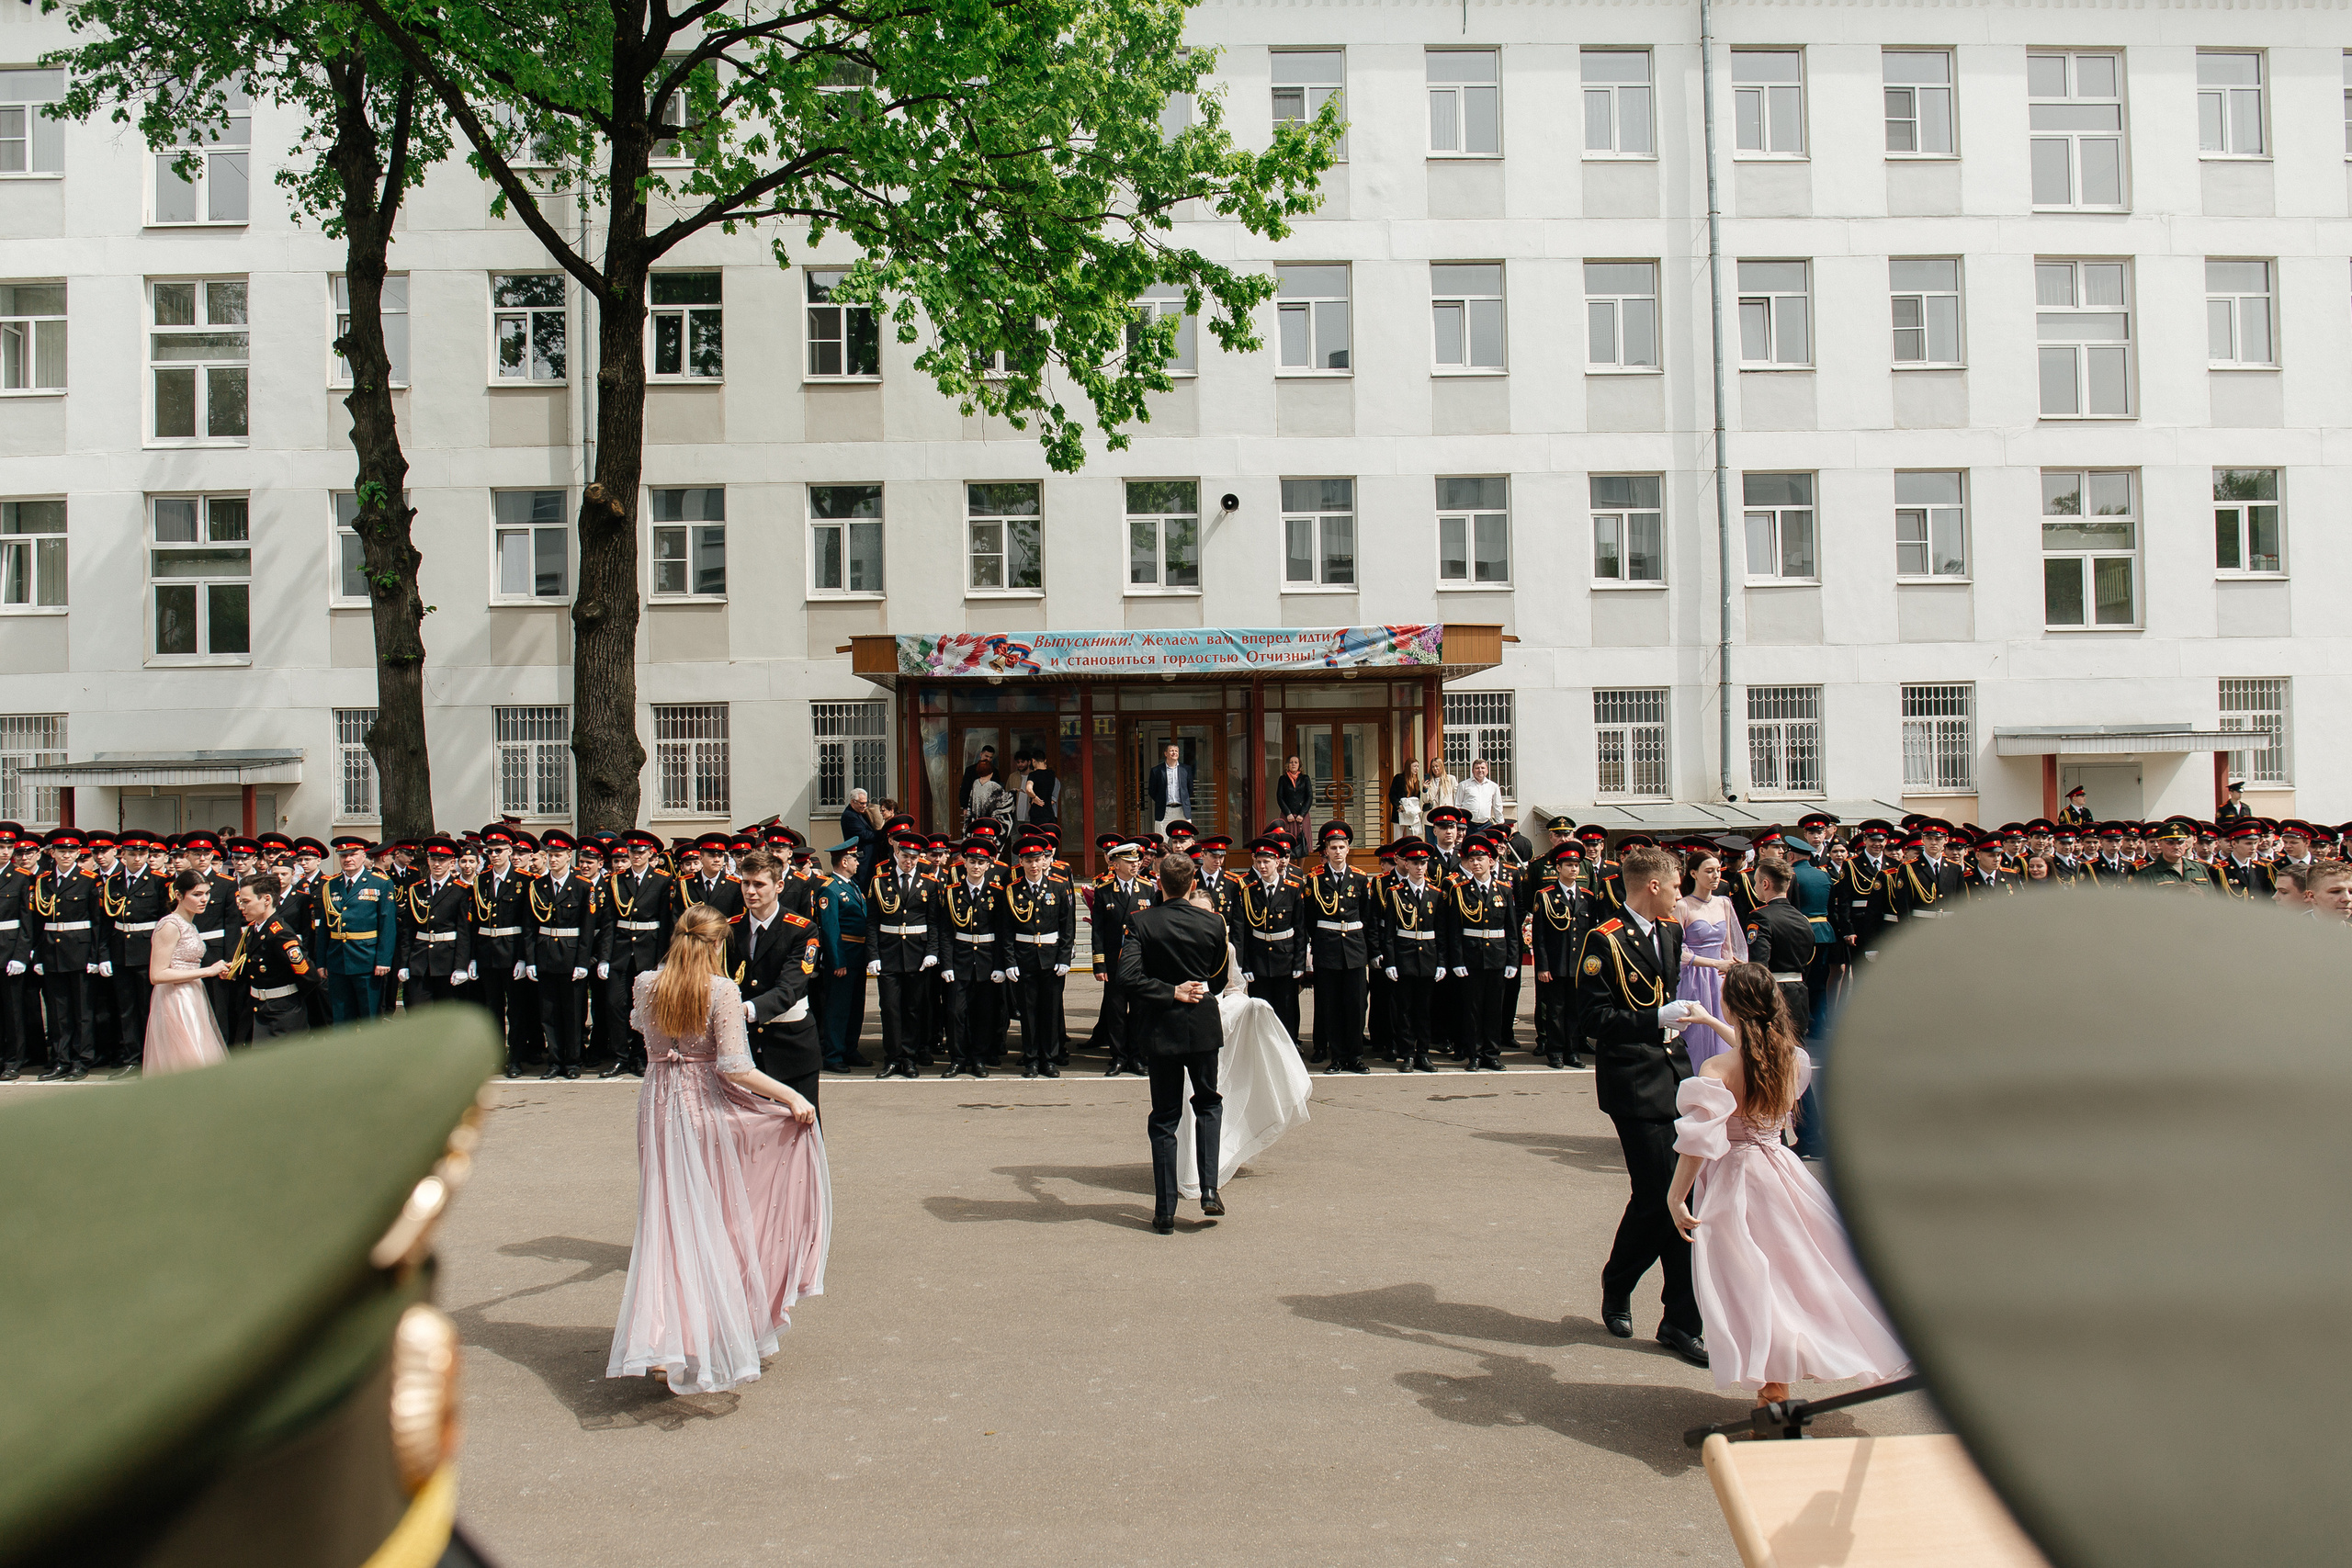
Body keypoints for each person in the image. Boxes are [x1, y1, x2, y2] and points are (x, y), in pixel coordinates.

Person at [607, 904, 829, 1394]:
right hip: (704, 1106)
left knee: (666, 1219)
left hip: (657, 1104)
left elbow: (639, 1026)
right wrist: (792, 1097)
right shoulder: (721, 990)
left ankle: (663, 1335)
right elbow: (735, 1066)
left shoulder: (646, 983)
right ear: (714, 945)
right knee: (719, 1216)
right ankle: (703, 1332)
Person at [1667, 964, 1909, 1404]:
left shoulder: (1717, 1068)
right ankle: (1789, 1371)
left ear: (1730, 1004)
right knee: (1798, 1274)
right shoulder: (1792, 1058)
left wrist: (1676, 1196)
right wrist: (1710, 1022)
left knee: (1747, 1281)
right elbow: (1754, 1049)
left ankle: (1773, 1390)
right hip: (1782, 1170)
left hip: (1737, 1180)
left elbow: (1698, 1143)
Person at [1577, 842, 1707, 1368]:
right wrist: (1655, 1018)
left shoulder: (1671, 931)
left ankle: (1680, 1319)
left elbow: (1664, 991)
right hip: (1632, 1082)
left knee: (1683, 1195)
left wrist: (1674, 1018)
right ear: (1653, 885)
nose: (1681, 893)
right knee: (1659, 1196)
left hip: (1674, 1074)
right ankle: (1619, 1282)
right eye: (1676, 885)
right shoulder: (1603, 939)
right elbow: (1592, 1020)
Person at [1117, 852, 1229, 1235]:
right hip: (1201, 1021)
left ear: (1158, 884)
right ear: (1194, 884)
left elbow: (1128, 977)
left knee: (1165, 1118)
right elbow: (1218, 974)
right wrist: (1183, 988)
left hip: (1161, 1026)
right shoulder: (1213, 922)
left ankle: (1165, 1209)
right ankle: (1209, 1188)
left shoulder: (1141, 922)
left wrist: (1168, 991)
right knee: (1208, 1103)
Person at [729, 850, 824, 1112]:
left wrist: (743, 1009)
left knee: (799, 1124)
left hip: (790, 1042)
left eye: (759, 884)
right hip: (744, 1046)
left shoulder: (801, 929)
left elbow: (789, 989)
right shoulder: (730, 928)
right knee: (748, 1127)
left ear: (779, 886)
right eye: (746, 883)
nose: (750, 891)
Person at [867, 829, 944, 1079]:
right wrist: (873, 955)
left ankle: (909, 1057)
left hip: (917, 955)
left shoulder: (929, 883)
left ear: (919, 858)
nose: (908, 861)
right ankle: (892, 1058)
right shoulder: (880, 882)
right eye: (904, 856)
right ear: (897, 854)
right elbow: (872, 922)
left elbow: (934, 923)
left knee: (913, 1009)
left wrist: (932, 951)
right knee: (890, 1008)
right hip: (888, 953)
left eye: (913, 857)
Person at [144, 869, 230, 1074]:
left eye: (207, 893)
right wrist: (207, 971)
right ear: (179, 895)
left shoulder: (188, 924)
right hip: (175, 998)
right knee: (186, 1058)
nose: (204, 899)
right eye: (197, 894)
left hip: (192, 994)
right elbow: (157, 975)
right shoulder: (170, 925)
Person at [1305, 820, 1374, 1074]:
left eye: (1341, 847)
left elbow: (1366, 916)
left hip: (1354, 950)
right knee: (1331, 1005)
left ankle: (1355, 1056)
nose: (1337, 851)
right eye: (1332, 847)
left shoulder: (1360, 878)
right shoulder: (1315, 879)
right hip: (1328, 949)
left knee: (1356, 1005)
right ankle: (1337, 1057)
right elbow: (1310, 918)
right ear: (1326, 850)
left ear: (1348, 849)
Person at [1671, 849, 1745, 1069]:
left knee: (1723, 1029)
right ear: (1693, 873)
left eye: (1718, 871)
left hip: (1720, 978)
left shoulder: (1724, 903)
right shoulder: (1683, 905)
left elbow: (1728, 946)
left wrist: (1732, 970)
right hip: (1693, 978)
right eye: (1709, 871)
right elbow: (1676, 951)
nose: (1715, 876)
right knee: (1696, 1035)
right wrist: (1713, 963)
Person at [1090, 840, 1156, 1077]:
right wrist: (1099, 964)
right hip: (1114, 961)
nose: (1135, 865)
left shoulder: (1148, 888)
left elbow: (1153, 926)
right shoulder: (1104, 890)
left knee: (1139, 1010)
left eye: (1137, 861)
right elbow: (1098, 930)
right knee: (1116, 1011)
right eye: (1129, 862)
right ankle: (1118, 1057)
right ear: (1115, 864)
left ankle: (1137, 1057)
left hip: (1139, 961)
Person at [318, 835, 398, 1024]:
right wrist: (321, 962)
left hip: (367, 960)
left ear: (364, 856)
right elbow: (324, 928)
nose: (348, 859)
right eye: (343, 855)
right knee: (341, 1019)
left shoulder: (380, 883)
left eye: (352, 854)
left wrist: (383, 960)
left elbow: (387, 925)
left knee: (370, 1017)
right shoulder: (331, 885)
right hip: (338, 959)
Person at [815, 841, 870, 1072]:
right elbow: (830, 929)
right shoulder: (829, 889)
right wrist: (838, 961)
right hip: (843, 956)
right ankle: (833, 1054)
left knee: (856, 1005)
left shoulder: (852, 886)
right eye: (855, 859)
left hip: (858, 955)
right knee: (838, 1007)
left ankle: (850, 1049)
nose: (858, 863)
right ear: (844, 862)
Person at [1144, 740, 1193, 838]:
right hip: (1165, 811)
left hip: (1182, 811)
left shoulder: (1186, 769)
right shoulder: (1156, 771)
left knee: (1185, 839)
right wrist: (1161, 801)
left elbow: (1190, 789)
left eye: (1176, 751)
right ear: (1166, 754)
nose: (1174, 753)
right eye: (1171, 751)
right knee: (1162, 840)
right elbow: (1152, 791)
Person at [1275, 755, 1314, 852]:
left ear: (1299, 765)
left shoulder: (1305, 778)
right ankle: (1288, 862)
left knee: (1303, 844)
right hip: (1287, 816)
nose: (1293, 764)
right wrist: (1288, 813)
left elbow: (1309, 797)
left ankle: (1301, 863)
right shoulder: (1283, 779)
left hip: (1302, 816)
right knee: (1288, 844)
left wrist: (1302, 814)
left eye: (1296, 762)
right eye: (1291, 762)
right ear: (1287, 765)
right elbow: (1280, 797)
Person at [1455, 757, 1503, 829]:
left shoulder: (1493, 786)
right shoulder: (1463, 785)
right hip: (1468, 825)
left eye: (1482, 768)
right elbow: (1457, 805)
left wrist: (1500, 824)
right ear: (1472, 771)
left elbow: (1497, 806)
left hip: (1486, 825)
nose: (1480, 770)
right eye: (1477, 768)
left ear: (1487, 770)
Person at [1389, 759, 1423, 836]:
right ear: (1408, 767)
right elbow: (1392, 794)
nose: (1417, 769)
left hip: (1411, 812)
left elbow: (1417, 797)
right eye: (1414, 766)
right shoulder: (1399, 778)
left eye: (1418, 766)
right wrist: (1399, 805)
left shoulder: (1416, 781)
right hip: (1400, 811)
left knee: (1411, 836)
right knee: (1398, 836)